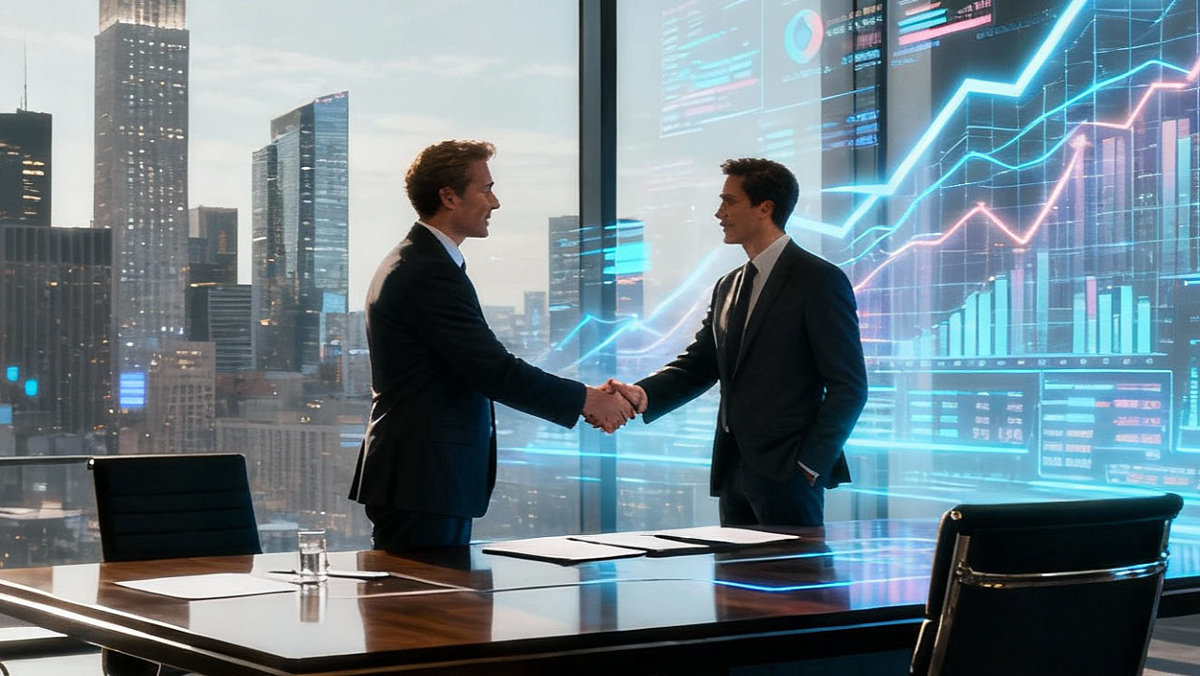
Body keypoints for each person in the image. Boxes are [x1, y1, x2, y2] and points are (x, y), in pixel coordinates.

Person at [349, 139, 634, 551]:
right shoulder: (427, 271)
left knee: (429, 606)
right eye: (485, 189)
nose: (495, 202)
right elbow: (492, 369)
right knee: (427, 608)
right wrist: (586, 399)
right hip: (424, 477)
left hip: (421, 477)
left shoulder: (419, 261)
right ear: (448, 196)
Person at [607, 158, 867, 527]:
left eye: (729, 201)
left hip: (789, 472)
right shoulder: (728, 285)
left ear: (765, 208)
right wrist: (641, 394)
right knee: (735, 583)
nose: (719, 212)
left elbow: (850, 387)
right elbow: (700, 364)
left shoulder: (818, 280)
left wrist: (810, 465)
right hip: (733, 473)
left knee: (795, 582)